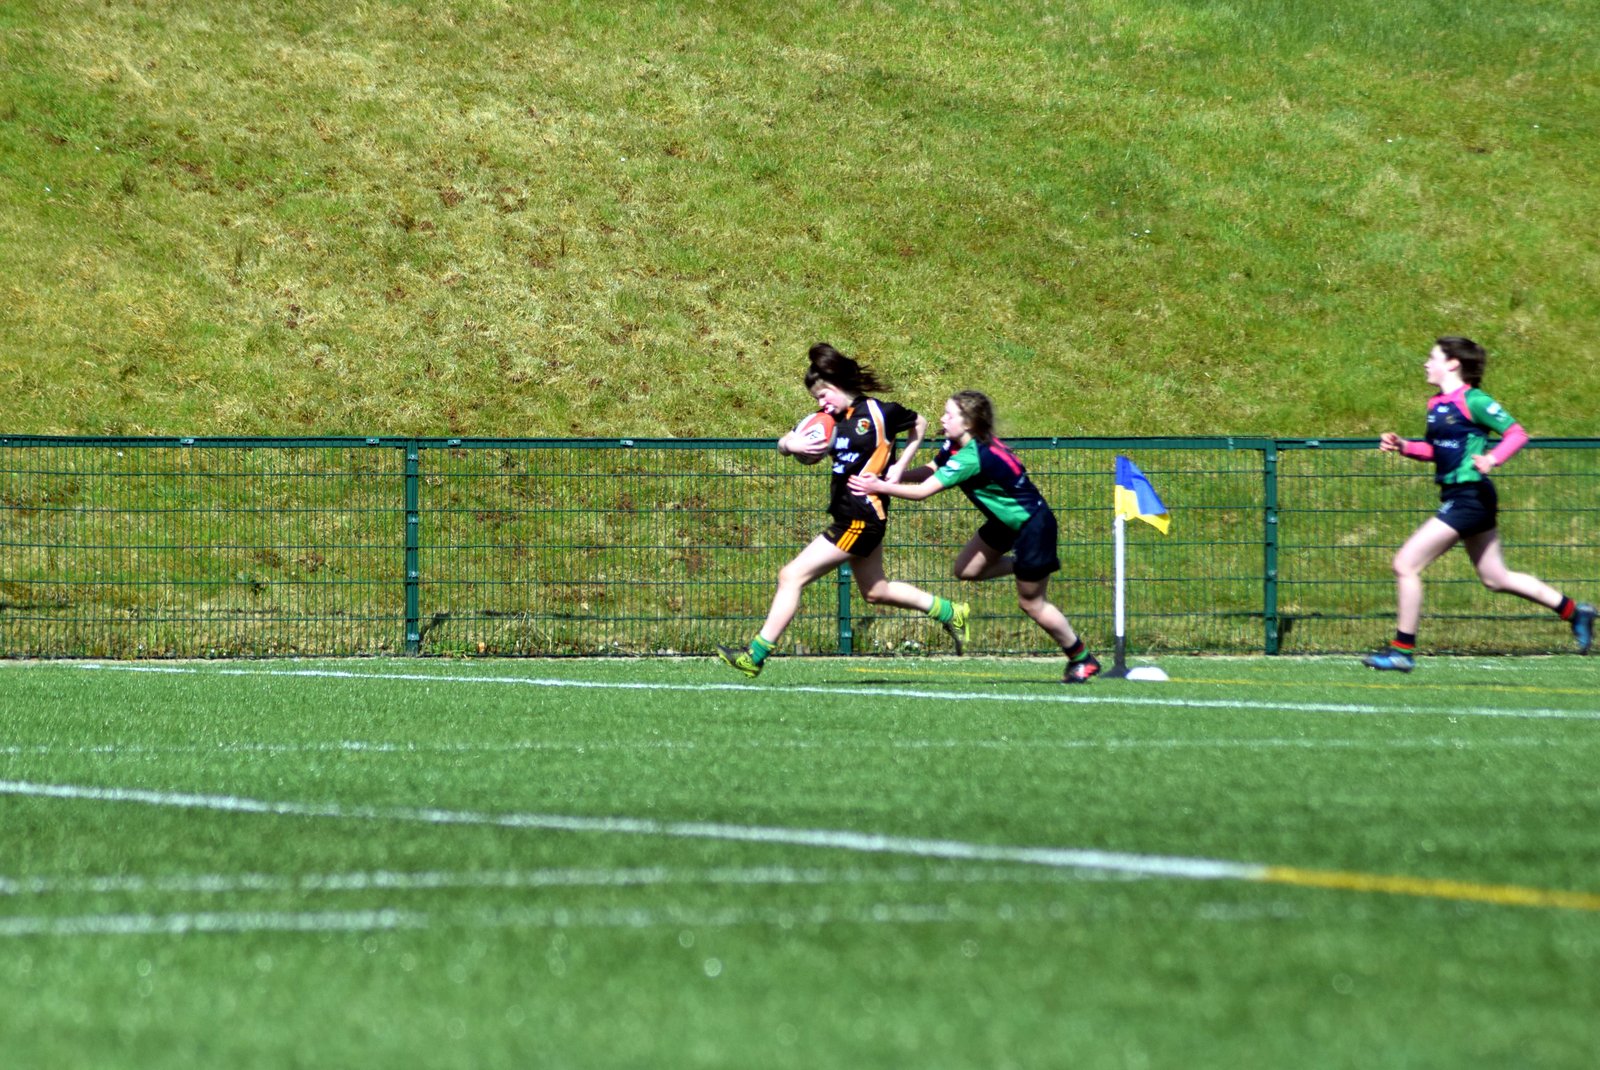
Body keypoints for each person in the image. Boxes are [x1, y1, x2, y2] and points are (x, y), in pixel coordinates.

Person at [716, 344, 970, 677]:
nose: (821, 404)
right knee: (876, 591)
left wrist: (899, 466)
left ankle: (755, 655)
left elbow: (919, 423)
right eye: (816, 399)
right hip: (854, 517)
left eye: (823, 395)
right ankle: (951, 612)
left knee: (791, 576)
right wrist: (792, 444)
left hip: (861, 518)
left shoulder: (879, 413)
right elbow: (783, 442)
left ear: (837, 385)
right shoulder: (828, 419)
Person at [1363, 336, 1595, 672]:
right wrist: (1403, 446)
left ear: (1453, 363)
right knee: (1495, 578)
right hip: (1460, 496)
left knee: (1405, 564)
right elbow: (1435, 450)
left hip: (1471, 496)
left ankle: (1402, 650)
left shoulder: (1475, 400)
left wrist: (1492, 459)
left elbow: (1516, 434)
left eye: (1432, 357)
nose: (1426, 363)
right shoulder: (1436, 404)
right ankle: (1575, 612)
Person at [849, 389, 1101, 684]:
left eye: (949, 415)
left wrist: (879, 486)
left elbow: (923, 492)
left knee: (1032, 603)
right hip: (1004, 523)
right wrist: (893, 474)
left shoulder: (973, 456)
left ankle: (1082, 658)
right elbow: (932, 470)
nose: (942, 419)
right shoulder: (956, 445)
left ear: (968, 422)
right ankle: (1029, 566)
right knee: (966, 569)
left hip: (1032, 525)